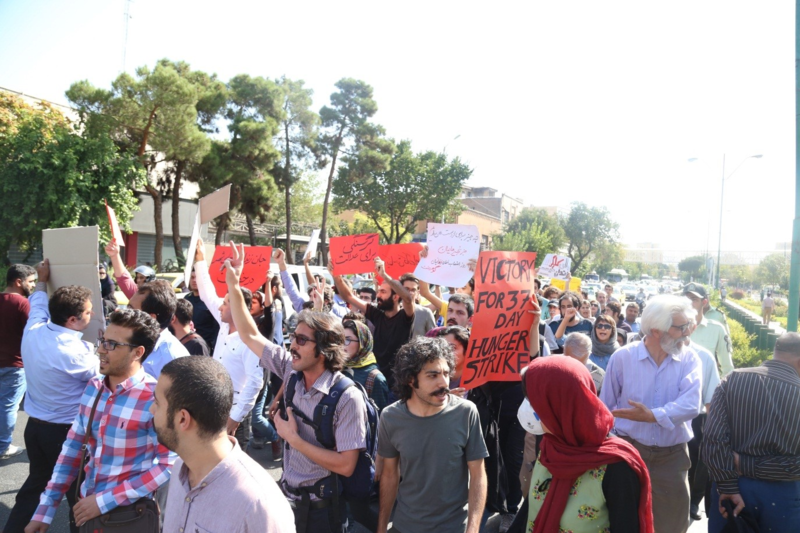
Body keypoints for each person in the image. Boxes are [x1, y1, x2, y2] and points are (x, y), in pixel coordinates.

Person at [222, 243, 367, 533]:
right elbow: (250, 333)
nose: (292, 345)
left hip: (322, 513)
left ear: (325, 349)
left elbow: (347, 465)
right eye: (292, 338)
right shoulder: (291, 368)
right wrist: (234, 284)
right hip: (286, 500)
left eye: (302, 340)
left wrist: (294, 439)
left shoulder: (347, 397)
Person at [24, 309, 174, 532]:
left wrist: (104, 501)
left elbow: (168, 465)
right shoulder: (95, 386)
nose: (101, 350)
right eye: (103, 340)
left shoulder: (154, 398)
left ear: (138, 352)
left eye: (112, 344)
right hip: (86, 510)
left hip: (128, 516)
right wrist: (46, 509)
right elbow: (72, 448)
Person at [4, 260, 97, 533]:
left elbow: (39, 304)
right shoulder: (77, 354)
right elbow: (106, 376)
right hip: (66, 435)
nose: (93, 316)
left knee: (35, 487)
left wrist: (42, 280)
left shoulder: (33, 331)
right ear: (73, 320)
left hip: (34, 429)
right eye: (90, 312)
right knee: (78, 497)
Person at [154, 356, 295, 533]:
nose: (152, 410)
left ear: (183, 418)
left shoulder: (259, 504)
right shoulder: (180, 469)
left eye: (157, 403)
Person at [600, 294, 702, 533]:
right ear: (657, 331)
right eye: (681, 328)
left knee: (672, 523)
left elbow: (691, 405)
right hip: (628, 453)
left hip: (672, 457)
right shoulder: (623, 358)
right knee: (624, 520)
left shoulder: (690, 358)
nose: (688, 333)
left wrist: (653, 416)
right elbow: (604, 410)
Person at [521, 356, 654, 533]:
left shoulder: (617, 466)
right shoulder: (550, 446)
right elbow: (530, 512)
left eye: (535, 401)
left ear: (559, 406)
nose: (529, 409)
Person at [377, 337, 488, 533]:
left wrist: (473, 529)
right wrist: (381, 527)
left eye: (446, 374)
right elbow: (389, 475)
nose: (443, 382)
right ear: (411, 379)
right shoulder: (390, 417)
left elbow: (478, 475)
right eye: (433, 375)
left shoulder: (466, 412)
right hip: (405, 526)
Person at [702, 332, 800, 532]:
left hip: (730, 489)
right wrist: (750, 465)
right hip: (783, 494)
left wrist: (728, 486)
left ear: (775, 352)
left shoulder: (733, 379)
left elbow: (712, 438)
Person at [194, 240, 264, 451]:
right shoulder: (225, 327)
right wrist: (200, 261)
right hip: (213, 405)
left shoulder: (251, 340)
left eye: (225, 303)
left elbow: (255, 382)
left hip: (234, 416)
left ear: (237, 308)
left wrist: (235, 418)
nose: (220, 306)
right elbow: (206, 293)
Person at [332, 256, 415, 390]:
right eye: (378, 291)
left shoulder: (404, 317)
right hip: (375, 381)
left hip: (397, 386)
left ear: (395, 297)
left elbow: (408, 299)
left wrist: (385, 276)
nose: (378, 295)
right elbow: (349, 297)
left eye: (383, 292)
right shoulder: (377, 314)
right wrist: (336, 275)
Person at [683, 322, 721, 522]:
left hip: (695, 418)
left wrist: (713, 431)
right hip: (662, 418)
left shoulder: (704, 356)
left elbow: (711, 398)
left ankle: (693, 501)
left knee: (697, 463)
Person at [0, 264, 35, 460]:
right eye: (31, 281)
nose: (34, 285)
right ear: (19, 282)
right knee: (7, 406)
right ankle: (3, 446)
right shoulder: (23, 303)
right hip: (14, 364)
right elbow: (32, 333)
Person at [128, 279, 190, 378]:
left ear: (150, 318)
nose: (125, 313)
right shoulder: (131, 341)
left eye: (131, 309)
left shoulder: (172, 356)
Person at [683, 283, 734, 377]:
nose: (689, 303)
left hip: (706, 388)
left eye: (694, 299)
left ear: (704, 302)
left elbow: (727, 368)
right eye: (686, 299)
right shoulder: (671, 328)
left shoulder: (717, 329)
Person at [342, 318, 390, 412]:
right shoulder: (337, 368)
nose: (342, 345)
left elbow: (378, 420)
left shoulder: (375, 379)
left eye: (347, 340)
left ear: (362, 342)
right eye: (340, 340)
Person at [184, 267, 221, 351]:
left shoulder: (211, 301)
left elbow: (217, 328)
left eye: (197, 277)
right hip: (188, 345)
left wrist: (213, 349)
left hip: (206, 347)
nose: (194, 280)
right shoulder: (187, 298)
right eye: (192, 277)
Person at [400, 273, 436, 338]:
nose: (410, 293)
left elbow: (433, 339)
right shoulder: (394, 311)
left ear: (417, 293)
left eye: (413, 290)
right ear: (400, 290)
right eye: (407, 289)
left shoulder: (425, 313)